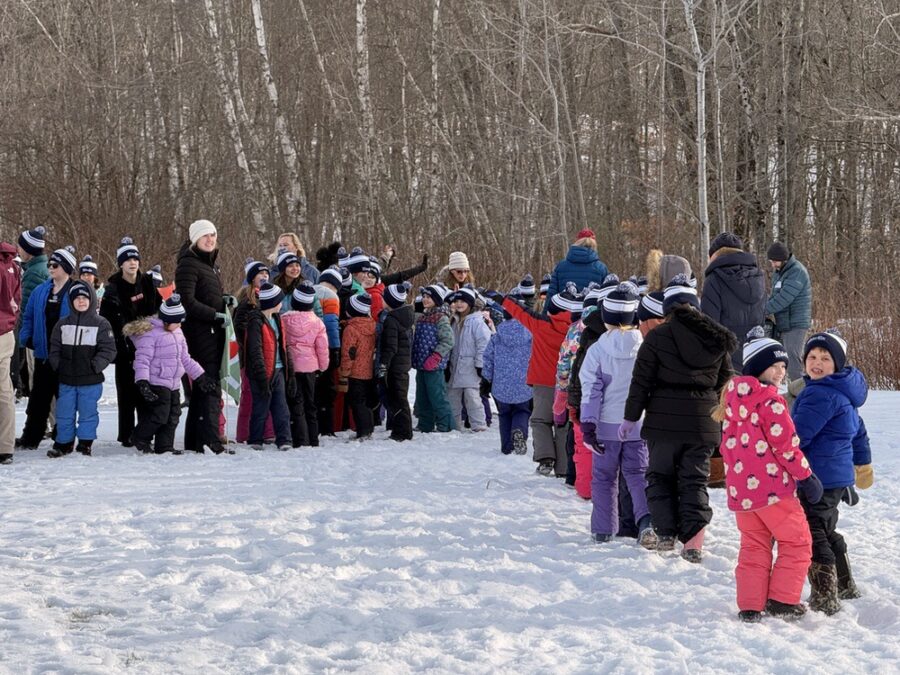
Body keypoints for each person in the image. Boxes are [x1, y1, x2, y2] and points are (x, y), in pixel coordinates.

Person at [620, 274, 736, 559]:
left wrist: (630, 418)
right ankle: (694, 540)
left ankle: (666, 533)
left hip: (663, 422)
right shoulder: (717, 337)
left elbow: (641, 382)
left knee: (660, 476)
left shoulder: (657, 336)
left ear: (667, 307)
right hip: (703, 422)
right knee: (694, 480)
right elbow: (726, 381)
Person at [713, 327, 821, 622]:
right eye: (774, 365)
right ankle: (783, 600)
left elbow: (727, 447)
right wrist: (806, 476)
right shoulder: (771, 402)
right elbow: (786, 446)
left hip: (742, 494)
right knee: (797, 541)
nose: (780, 372)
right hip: (773, 491)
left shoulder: (733, 401)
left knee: (754, 546)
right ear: (758, 367)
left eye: (784, 366)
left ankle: (750, 605)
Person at [792, 330, 872, 615]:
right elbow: (859, 434)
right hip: (836, 478)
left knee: (812, 530)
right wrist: (863, 464)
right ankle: (844, 582)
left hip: (817, 477)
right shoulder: (843, 393)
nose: (817, 362)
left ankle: (826, 594)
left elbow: (798, 434)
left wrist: (778, 450)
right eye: (812, 357)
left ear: (837, 364)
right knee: (826, 527)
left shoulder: (819, 393)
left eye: (825, 358)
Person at [579, 283, 652, 545]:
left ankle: (602, 529)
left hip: (605, 428)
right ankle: (646, 521)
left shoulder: (597, 350)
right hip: (638, 424)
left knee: (604, 478)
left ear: (607, 319)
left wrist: (588, 425)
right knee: (638, 475)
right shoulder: (645, 346)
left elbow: (591, 389)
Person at [486, 283, 581, 476]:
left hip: (543, 384)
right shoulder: (577, 330)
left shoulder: (542, 325)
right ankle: (563, 467)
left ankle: (546, 458)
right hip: (568, 384)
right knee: (563, 425)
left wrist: (503, 300)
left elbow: (521, 312)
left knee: (540, 420)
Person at [126, 294, 215, 454]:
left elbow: (185, 358)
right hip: (156, 381)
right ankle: (140, 437)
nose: (181, 324)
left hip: (173, 382)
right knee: (160, 414)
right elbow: (142, 360)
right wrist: (143, 382)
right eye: (178, 321)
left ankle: (164, 446)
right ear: (168, 320)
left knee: (173, 415)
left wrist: (201, 376)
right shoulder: (150, 334)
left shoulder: (178, 333)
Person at [99, 237, 162, 447]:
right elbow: (108, 321)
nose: (132, 263)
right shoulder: (113, 289)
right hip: (125, 346)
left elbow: (159, 311)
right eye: (127, 260)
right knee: (126, 393)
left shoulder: (148, 283)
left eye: (135, 259)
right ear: (121, 264)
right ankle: (125, 435)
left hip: (149, 345)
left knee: (147, 392)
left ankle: (145, 432)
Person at [175, 219, 229, 454]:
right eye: (205, 235)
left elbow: (208, 294)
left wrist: (225, 300)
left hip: (212, 332)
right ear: (195, 239)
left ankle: (196, 440)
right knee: (209, 386)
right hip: (199, 334)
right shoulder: (188, 264)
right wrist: (214, 315)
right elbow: (187, 301)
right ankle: (210, 440)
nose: (210, 239)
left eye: (213, 235)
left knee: (203, 388)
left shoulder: (210, 265)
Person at [47, 280, 117, 457]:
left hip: (90, 380)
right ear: (71, 301)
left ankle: (85, 443)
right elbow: (54, 348)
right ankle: (64, 443)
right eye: (77, 298)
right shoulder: (62, 324)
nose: (81, 301)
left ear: (91, 299)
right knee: (64, 413)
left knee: (88, 413)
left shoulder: (101, 324)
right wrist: (59, 365)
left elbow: (109, 350)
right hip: (67, 379)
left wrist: (94, 366)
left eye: (84, 297)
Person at [17, 245, 76, 450]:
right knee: (38, 399)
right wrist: (26, 338)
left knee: (65, 399)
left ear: (67, 268)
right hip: (43, 353)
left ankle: (64, 438)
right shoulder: (41, 290)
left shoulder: (76, 291)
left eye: (55, 264)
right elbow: (28, 317)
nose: (51, 267)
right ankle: (30, 437)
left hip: (67, 355)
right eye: (50, 264)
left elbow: (86, 320)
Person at [701, 232, 766, 370]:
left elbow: (709, 324)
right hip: (755, 351)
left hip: (726, 355)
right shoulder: (758, 277)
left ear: (714, 255)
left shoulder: (714, 279)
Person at [242, 282, 293, 450]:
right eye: (280, 301)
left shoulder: (277, 319)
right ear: (273, 302)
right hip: (262, 372)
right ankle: (255, 439)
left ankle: (284, 439)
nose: (282, 304)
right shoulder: (256, 321)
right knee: (260, 407)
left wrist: (289, 373)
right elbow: (255, 350)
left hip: (278, 370)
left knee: (281, 408)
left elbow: (284, 347)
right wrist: (262, 375)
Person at [481, 290, 532, 455]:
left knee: (504, 414)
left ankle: (507, 446)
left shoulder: (497, 335)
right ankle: (519, 432)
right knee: (522, 411)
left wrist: (486, 380)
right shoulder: (530, 334)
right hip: (524, 383)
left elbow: (488, 358)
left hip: (501, 384)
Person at [281, 282, 329, 447]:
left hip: (291, 368)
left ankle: (300, 438)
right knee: (311, 404)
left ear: (293, 301)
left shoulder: (284, 320)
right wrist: (323, 366)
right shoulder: (317, 322)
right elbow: (322, 347)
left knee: (295, 403)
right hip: (310, 368)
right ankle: (313, 438)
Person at [233, 259, 275, 444]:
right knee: (250, 396)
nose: (264, 276)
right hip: (249, 357)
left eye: (266, 273)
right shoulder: (246, 302)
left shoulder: (268, 299)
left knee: (265, 395)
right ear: (252, 279)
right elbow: (239, 330)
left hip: (266, 355)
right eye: (260, 274)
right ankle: (244, 433)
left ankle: (266, 432)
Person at [447, 285, 492, 433]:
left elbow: (483, 344)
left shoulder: (477, 322)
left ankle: (478, 425)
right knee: (452, 397)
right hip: (455, 365)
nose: (459, 304)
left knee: (472, 397)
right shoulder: (453, 320)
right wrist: (447, 363)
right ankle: (453, 425)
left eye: (463, 301)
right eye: (457, 301)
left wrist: (480, 365)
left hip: (471, 367)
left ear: (470, 303)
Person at [764, 242, 811, 380]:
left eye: (775, 261)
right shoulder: (779, 273)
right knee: (783, 358)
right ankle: (794, 390)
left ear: (784, 259)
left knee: (792, 357)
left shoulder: (797, 272)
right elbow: (774, 296)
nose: (773, 265)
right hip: (784, 322)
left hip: (796, 323)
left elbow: (784, 299)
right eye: (771, 261)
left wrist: (763, 310)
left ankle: (801, 393)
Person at [412, 284, 455, 433]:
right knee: (422, 396)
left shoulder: (441, 318)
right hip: (421, 363)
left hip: (434, 366)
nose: (425, 299)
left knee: (437, 396)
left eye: (428, 297)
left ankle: (446, 424)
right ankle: (425, 424)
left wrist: (436, 356)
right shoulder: (423, 317)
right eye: (423, 296)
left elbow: (448, 340)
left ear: (436, 299)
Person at [378, 282, 415, 442]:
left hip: (395, 365)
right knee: (400, 397)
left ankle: (403, 432)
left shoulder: (392, 320)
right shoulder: (405, 316)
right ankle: (400, 430)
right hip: (403, 363)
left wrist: (383, 365)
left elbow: (390, 346)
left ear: (390, 301)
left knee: (398, 398)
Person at [16, 226, 49, 396]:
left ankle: (43, 422)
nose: (18, 250)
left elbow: (27, 310)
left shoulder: (34, 273)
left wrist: (21, 338)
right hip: (42, 334)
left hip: (36, 336)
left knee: (38, 382)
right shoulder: (43, 267)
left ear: (29, 250)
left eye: (21, 246)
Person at [339, 293, 377, 440]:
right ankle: (368, 428)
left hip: (355, 372)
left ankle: (363, 431)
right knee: (365, 401)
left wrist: (345, 371)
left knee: (357, 402)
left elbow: (348, 352)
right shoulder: (372, 325)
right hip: (369, 369)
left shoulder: (351, 329)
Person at [313, 266, 342, 436]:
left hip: (307, 349)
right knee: (327, 388)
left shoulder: (308, 291)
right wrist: (335, 349)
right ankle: (327, 427)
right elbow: (331, 325)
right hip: (325, 347)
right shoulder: (331, 296)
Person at [0, 240, 22, 465]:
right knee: (4, 389)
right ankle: (5, 446)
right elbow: (17, 299)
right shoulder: (12, 265)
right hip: (6, 332)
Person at [545, 229, 610, 301]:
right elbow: (606, 297)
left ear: (577, 242)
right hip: (590, 311)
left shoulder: (560, 266)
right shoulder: (601, 268)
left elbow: (551, 294)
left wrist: (545, 312)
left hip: (564, 310)